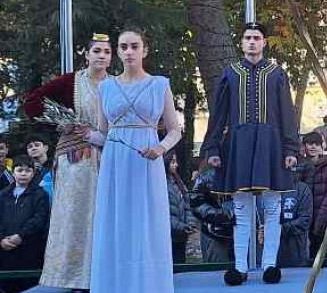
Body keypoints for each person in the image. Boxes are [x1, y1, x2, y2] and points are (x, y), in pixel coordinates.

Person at [199, 22, 299, 286]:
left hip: (271, 146)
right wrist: (212, 148)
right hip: (238, 147)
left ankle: (269, 265)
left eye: (256, 37)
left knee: (272, 207)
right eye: (247, 38)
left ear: (264, 42)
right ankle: (240, 267)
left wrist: (290, 148)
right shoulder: (229, 74)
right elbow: (218, 115)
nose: (252, 42)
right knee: (241, 210)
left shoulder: (277, 74)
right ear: (241, 43)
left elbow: (288, 114)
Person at [85, 29, 182, 293]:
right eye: (124, 47)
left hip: (147, 164)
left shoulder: (160, 84)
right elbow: (103, 134)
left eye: (134, 46)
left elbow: (175, 130)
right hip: (115, 165)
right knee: (115, 223)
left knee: (147, 225)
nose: (129, 51)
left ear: (144, 50)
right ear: (117, 51)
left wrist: (160, 148)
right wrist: (79, 133)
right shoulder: (105, 88)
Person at [22, 33, 111, 291]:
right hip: (76, 159)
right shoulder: (71, 82)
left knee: (105, 216)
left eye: (106, 52)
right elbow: (32, 102)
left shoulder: (116, 84)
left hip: (108, 156)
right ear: (86, 54)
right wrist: (60, 121)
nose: (101, 56)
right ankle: (74, 279)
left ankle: (104, 275)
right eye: (96, 51)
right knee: (76, 216)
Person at [0, 155, 51, 293]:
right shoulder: (3, 195)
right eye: (19, 170)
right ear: (13, 172)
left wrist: (21, 235)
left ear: (33, 173)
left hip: (30, 251)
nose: (23, 174)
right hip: (5, 253)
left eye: (27, 170)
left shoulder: (40, 195)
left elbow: (39, 219)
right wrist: (2, 239)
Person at [189, 165, 235, 263]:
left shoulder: (244, 171)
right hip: (214, 234)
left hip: (242, 233)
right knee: (216, 272)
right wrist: (219, 216)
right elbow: (196, 202)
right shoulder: (207, 175)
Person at [276, 168, 313, 268]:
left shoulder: (302, 189)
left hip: (296, 254)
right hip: (267, 257)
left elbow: (304, 220)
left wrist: (276, 229)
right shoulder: (267, 190)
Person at [167, 153, 196, 264]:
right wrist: (180, 226)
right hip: (170, 236)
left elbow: (187, 204)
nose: (176, 165)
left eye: (176, 161)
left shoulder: (178, 182)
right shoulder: (161, 184)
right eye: (173, 162)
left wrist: (190, 223)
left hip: (181, 236)